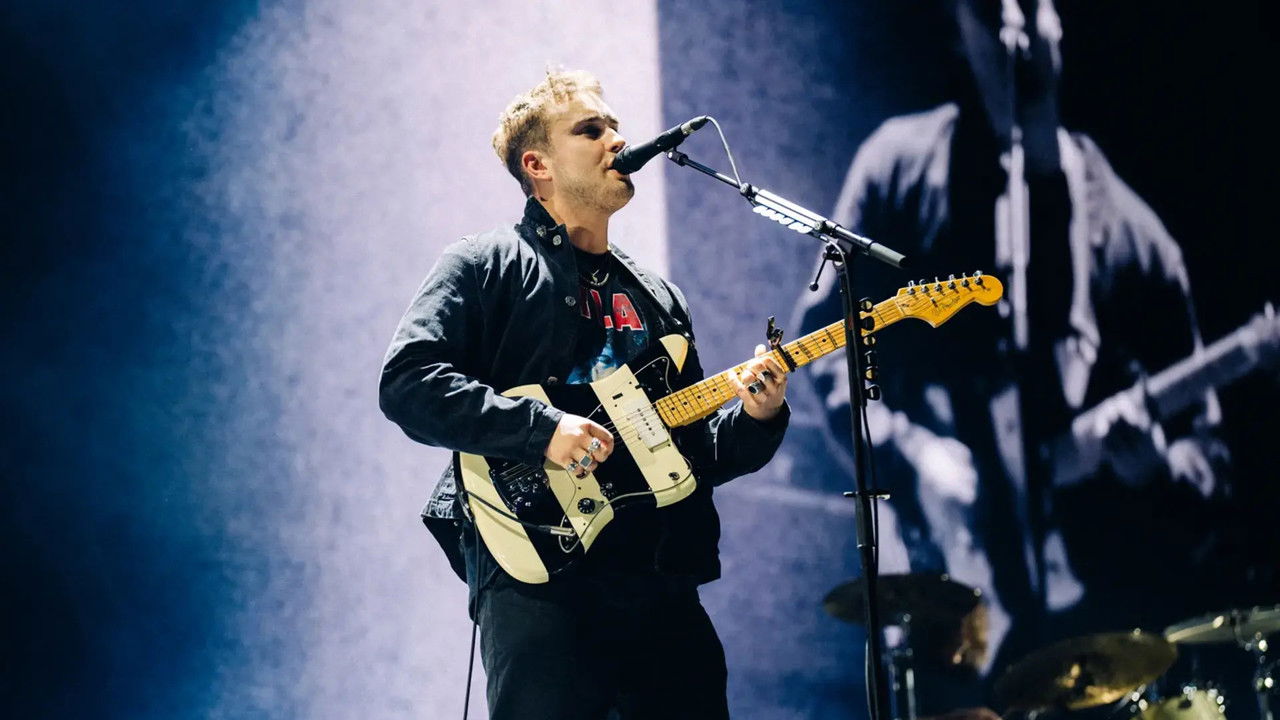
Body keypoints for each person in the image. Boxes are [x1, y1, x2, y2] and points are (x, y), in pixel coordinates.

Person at [793, 0, 1225, 681]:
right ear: (958, 31)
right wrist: (913, 452)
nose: (1015, 29)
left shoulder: (1133, 237)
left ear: (1061, 26)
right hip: (942, 605)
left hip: (1099, 626)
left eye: (1032, 7)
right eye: (992, 11)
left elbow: (1209, 456)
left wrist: (1159, 468)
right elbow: (821, 353)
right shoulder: (897, 169)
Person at [379, 70, 791, 720]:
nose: (617, 140)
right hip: (540, 574)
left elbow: (689, 456)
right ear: (536, 164)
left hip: (658, 578)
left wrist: (760, 417)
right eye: (591, 129)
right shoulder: (484, 265)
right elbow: (408, 383)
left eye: (615, 127)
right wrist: (543, 431)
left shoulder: (658, 296)